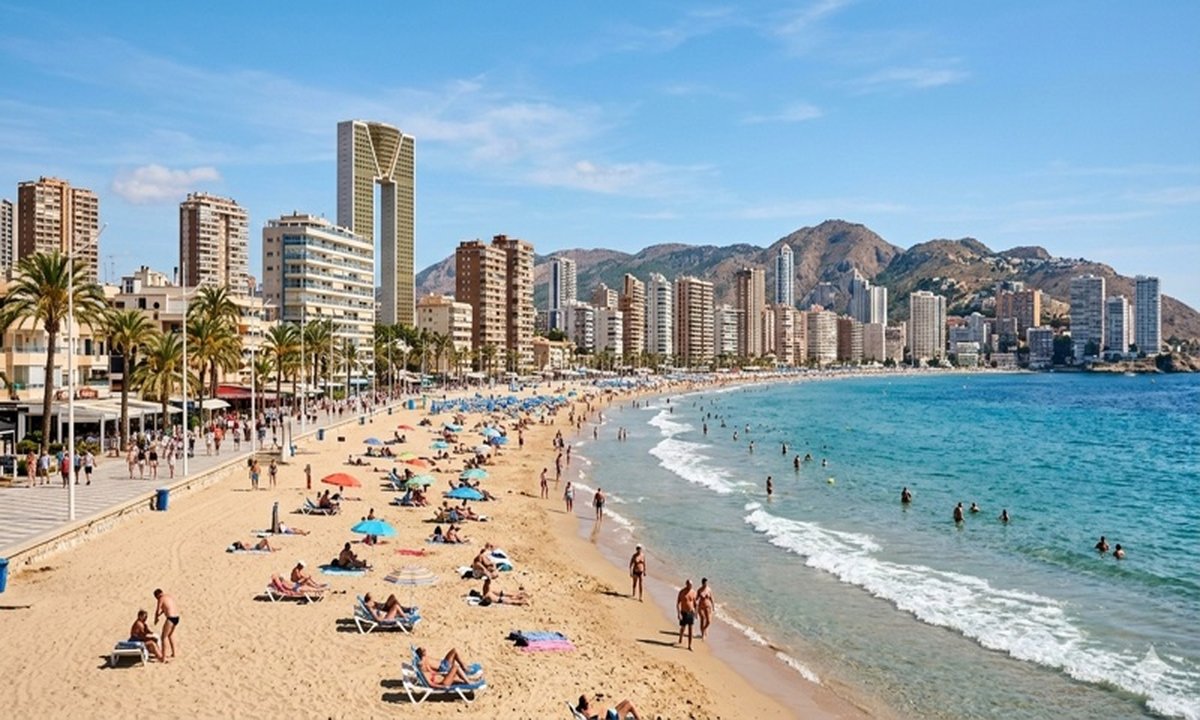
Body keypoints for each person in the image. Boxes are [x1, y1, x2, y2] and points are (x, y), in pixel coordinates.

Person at [415, 646, 481, 688]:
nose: (425, 650)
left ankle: (471, 680)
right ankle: (469, 681)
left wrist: (441, 673)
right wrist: (442, 687)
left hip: (443, 675)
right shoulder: (423, 669)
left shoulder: (425, 661)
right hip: (444, 681)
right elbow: (431, 684)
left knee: (456, 676)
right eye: (423, 650)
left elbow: (432, 672)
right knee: (455, 666)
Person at [152, 589, 179, 659]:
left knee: (163, 637)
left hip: (170, 618)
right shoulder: (168, 597)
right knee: (170, 635)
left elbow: (157, 610)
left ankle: (163, 657)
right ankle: (174, 653)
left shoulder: (161, 598)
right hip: (176, 617)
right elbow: (166, 608)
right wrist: (160, 614)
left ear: (157, 596)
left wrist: (156, 619)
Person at [575, 694, 643, 720]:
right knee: (630, 704)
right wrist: (602, 713)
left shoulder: (586, 709)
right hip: (612, 718)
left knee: (626, 701)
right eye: (588, 700)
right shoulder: (587, 712)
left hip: (610, 713)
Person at [676, 579, 696, 650]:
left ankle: (690, 645)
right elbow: (678, 603)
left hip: (691, 612)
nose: (690, 586)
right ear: (686, 584)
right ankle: (680, 637)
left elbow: (695, 603)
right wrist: (679, 614)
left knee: (691, 629)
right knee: (683, 628)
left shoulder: (693, 592)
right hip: (683, 612)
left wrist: (695, 612)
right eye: (689, 585)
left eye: (691, 585)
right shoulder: (682, 592)